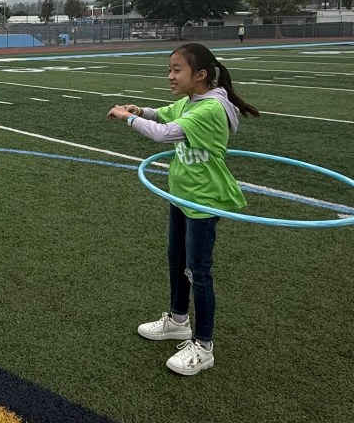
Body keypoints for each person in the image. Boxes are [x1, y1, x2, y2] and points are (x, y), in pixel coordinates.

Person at [106, 42, 259, 376]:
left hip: (203, 201)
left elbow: (165, 134)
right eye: (170, 69)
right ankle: (178, 321)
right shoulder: (191, 102)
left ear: (200, 75)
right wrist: (140, 110)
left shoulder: (209, 110)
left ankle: (204, 346)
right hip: (183, 194)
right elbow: (163, 114)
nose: (170, 76)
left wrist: (127, 117)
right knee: (176, 260)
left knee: (198, 271)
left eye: (177, 70)